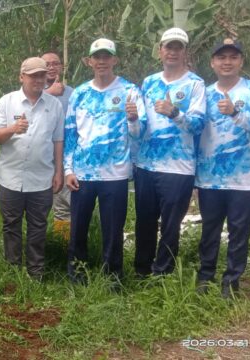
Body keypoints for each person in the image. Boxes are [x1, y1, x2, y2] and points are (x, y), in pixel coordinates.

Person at [64, 38, 146, 287]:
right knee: (78, 227)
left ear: (115, 60)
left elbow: (140, 133)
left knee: (113, 230)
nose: (101, 61)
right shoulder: (79, 93)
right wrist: (68, 169)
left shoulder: (130, 91)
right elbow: (70, 133)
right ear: (89, 61)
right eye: (96, 57)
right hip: (83, 174)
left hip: (116, 174)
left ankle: (113, 277)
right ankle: (77, 274)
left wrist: (133, 119)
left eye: (106, 56)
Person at [195, 38, 250, 299]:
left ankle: (231, 282)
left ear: (241, 61)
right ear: (212, 63)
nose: (227, 62)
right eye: (221, 57)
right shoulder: (203, 93)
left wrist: (235, 113)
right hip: (209, 179)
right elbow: (195, 131)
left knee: (239, 232)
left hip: (244, 179)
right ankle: (205, 277)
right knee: (210, 230)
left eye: (233, 57)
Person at [134, 28, 206, 277]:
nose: (173, 52)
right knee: (144, 221)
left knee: (170, 225)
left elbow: (198, 125)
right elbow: (140, 124)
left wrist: (175, 112)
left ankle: (162, 273)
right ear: (160, 51)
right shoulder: (149, 82)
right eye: (168, 47)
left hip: (178, 168)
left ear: (185, 52)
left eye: (178, 47)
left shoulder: (196, 84)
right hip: (145, 165)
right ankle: (141, 271)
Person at [0, 57, 65, 279]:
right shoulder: (6, 102)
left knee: (38, 227)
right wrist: (13, 128)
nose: (38, 79)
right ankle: (13, 269)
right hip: (10, 177)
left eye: (41, 75)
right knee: (10, 225)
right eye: (33, 75)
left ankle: (36, 272)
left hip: (42, 177)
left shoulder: (55, 106)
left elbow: (58, 140)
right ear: (21, 77)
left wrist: (59, 171)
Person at [41, 51, 75, 242]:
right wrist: (48, 94)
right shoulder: (32, 92)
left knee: (65, 205)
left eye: (56, 63)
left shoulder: (72, 93)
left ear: (61, 67)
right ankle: (42, 246)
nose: (52, 67)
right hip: (40, 160)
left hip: (65, 159)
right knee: (41, 207)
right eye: (47, 64)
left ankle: (64, 247)